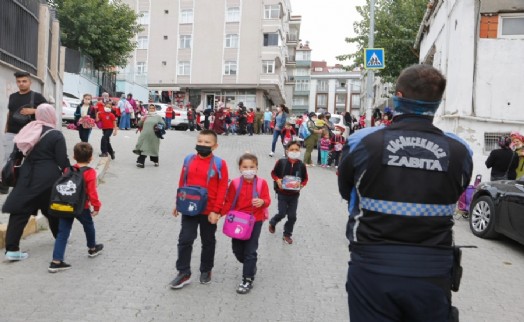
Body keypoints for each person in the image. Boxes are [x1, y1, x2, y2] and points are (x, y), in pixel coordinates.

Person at [338, 64, 473, 322]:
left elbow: (347, 191)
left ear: (398, 97)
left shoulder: (362, 141)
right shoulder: (460, 149)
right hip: (433, 270)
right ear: (437, 103)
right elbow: (456, 191)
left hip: (372, 265)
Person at [2, 104, 70, 261]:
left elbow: (16, 153)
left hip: (27, 175)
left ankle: (12, 250)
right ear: (52, 115)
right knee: (52, 209)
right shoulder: (56, 134)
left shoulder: (28, 129)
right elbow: (62, 160)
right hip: (49, 178)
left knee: (19, 211)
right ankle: (60, 238)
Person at [170, 129, 229, 289]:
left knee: (208, 241)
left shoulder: (220, 164)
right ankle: (183, 272)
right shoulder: (188, 159)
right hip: (189, 208)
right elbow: (183, 181)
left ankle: (206, 269)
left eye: (207, 142)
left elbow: (223, 188)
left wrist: (217, 210)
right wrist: (178, 202)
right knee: (185, 239)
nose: (202, 144)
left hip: (209, 211)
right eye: (200, 141)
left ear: (215, 146)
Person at [48, 142, 104, 273]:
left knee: (63, 232)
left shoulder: (68, 170)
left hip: (66, 206)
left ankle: (56, 261)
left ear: (74, 156)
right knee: (88, 225)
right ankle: (92, 248)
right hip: (81, 207)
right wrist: (96, 206)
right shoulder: (90, 173)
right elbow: (92, 192)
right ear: (91, 158)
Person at [221, 153, 271, 294]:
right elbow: (229, 201)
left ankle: (247, 279)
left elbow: (267, 200)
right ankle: (250, 264)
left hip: (255, 220)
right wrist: (218, 214)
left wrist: (262, 202)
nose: (248, 169)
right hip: (237, 222)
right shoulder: (235, 183)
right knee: (237, 250)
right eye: (245, 167)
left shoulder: (262, 183)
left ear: (256, 167)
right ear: (240, 168)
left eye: (252, 167)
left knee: (250, 250)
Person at [1, 71, 47, 194]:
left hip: (30, 134)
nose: (21, 84)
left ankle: (29, 185)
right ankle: (5, 184)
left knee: (29, 159)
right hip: (11, 132)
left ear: (30, 82)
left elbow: (48, 112)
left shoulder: (37, 97)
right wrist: (6, 128)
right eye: (19, 81)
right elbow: (10, 113)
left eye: (24, 81)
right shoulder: (12, 96)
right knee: (8, 159)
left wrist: (33, 111)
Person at [268, 141, 309, 244]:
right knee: (282, 213)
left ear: (300, 151)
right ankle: (273, 222)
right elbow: (273, 173)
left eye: (296, 150)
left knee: (292, 216)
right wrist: (277, 180)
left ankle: (287, 234)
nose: (294, 152)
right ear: (287, 151)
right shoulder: (281, 162)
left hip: (294, 195)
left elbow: (305, 179)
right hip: (282, 194)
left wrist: (301, 185)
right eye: (291, 150)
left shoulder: (301, 165)